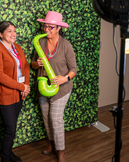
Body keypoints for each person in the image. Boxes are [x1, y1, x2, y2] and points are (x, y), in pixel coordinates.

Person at [31, 11, 77, 162]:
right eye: (45, 26)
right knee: (46, 117)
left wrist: (65, 78)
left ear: (58, 28)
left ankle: (61, 151)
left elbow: (74, 69)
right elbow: (32, 64)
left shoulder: (66, 45)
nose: (46, 30)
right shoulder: (41, 42)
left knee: (55, 119)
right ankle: (52, 144)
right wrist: (36, 64)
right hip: (43, 86)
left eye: (50, 27)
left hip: (61, 88)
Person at [0, 21, 30, 162]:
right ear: (0, 34)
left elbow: (25, 67)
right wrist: (21, 87)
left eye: (14, 31)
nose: (13, 34)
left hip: (18, 93)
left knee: (12, 128)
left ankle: (8, 152)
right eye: (9, 31)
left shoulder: (17, 47)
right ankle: (5, 158)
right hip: (4, 95)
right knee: (9, 129)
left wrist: (26, 85)